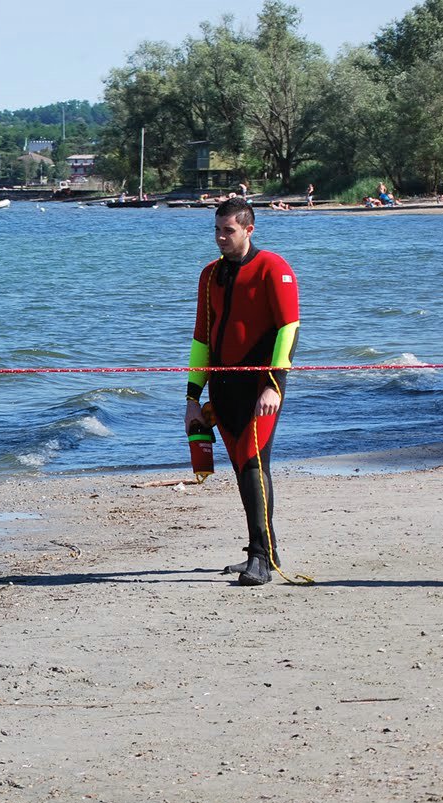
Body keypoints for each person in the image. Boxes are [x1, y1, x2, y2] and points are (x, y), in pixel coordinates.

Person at [183, 198, 299, 586]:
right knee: (241, 467)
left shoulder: (273, 268)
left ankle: (262, 561)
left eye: (228, 231)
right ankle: (262, 550)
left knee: (252, 464)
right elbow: (202, 337)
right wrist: (192, 397)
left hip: (258, 387)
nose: (220, 237)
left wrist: (273, 386)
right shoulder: (210, 274)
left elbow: (288, 329)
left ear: (249, 230)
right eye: (216, 230)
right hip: (223, 385)